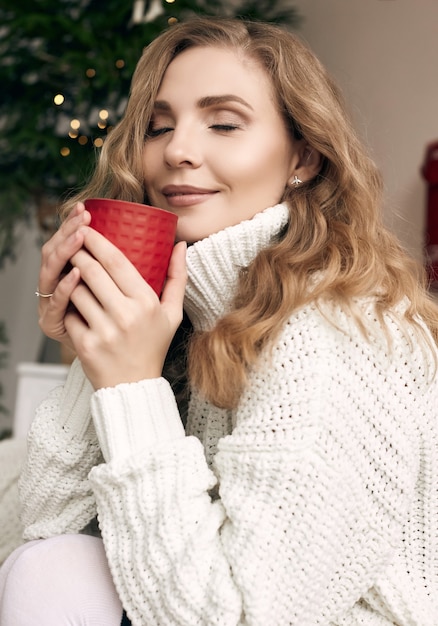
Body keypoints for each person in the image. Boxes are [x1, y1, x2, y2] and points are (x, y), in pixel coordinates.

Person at [0, 15, 437, 626]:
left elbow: (236, 617)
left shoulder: (336, 333)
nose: (177, 150)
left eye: (224, 123)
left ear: (303, 157)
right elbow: (44, 529)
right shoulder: (185, 312)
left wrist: (129, 385)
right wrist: (96, 351)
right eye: (158, 127)